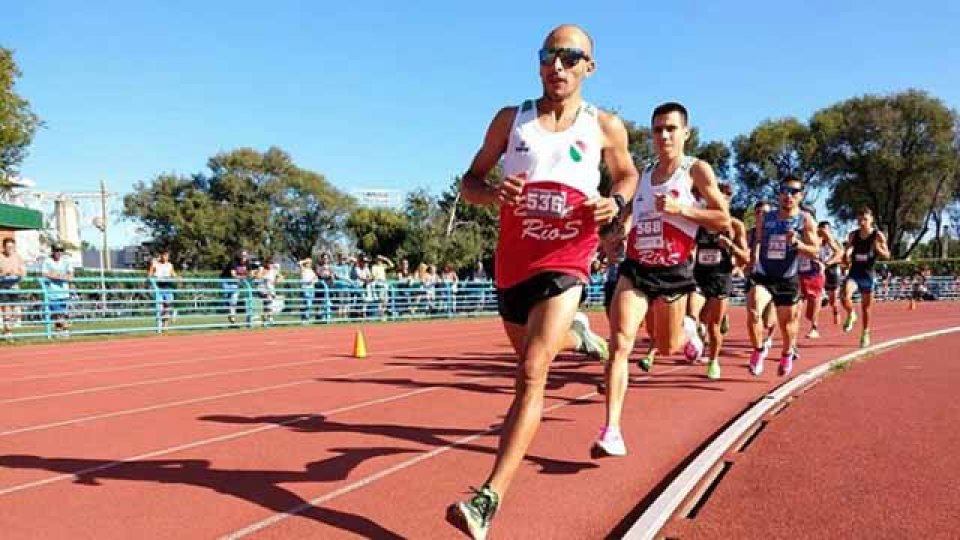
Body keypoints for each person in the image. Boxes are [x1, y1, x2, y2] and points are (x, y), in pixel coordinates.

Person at [449, 24, 638, 540]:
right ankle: (575, 333)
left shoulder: (604, 126)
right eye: (549, 55)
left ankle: (488, 499)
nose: (557, 65)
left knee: (533, 370)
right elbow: (469, 182)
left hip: (568, 257)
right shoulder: (512, 121)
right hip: (514, 263)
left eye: (569, 56)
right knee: (528, 352)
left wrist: (615, 202)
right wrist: (493, 195)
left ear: (588, 67)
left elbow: (626, 175)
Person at [599, 102, 729, 459]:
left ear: (685, 133)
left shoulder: (695, 171)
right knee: (620, 343)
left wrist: (683, 209)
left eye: (671, 129)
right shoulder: (643, 174)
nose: (664, 136)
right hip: (637, 268)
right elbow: (631, 217)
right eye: (658, 130)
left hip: (674, 274)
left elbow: (723, 219)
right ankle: (612, 430)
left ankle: (688, 327)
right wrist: (615, 237)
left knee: (667, 345)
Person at [747, 176, 820, 377]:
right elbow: (759, 240)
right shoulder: (766, 217)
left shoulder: (805, 220)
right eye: (784, 190)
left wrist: (798, 244)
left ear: (801, 196)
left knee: (787, 326)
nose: (788, 195)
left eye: (794, 192)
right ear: (779, 193)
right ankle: (759, 349)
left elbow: (815, 251)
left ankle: (787, 352)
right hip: (764, 274)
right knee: (753, 308)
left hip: (787, 278)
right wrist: (753, 256)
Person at [690, 183, 749, 380]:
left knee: (714, 326)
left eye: (723, 197)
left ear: (728, 201)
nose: (717, 200)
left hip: (720, 278)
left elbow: (745, 259)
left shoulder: (735, 226)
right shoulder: (699, 222)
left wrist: (730, 245)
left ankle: (713, 361)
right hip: (698, 276)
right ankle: (696, 339)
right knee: (692, 316)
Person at [841, 207, 890, 347]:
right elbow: (850, 247)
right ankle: (851, 314)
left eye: (865, 219)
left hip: (868, 275)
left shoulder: (877, 235)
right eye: (860, 220)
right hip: (855, 273)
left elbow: (887, 255)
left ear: (871, 220)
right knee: (845, 296)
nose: (862, 222)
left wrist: (878, 248)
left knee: (866, 308)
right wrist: (847, 253)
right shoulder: (853, 235)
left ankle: (865, 332)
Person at [41, 244, 74, 338]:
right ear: (53, 251)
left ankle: (59, 331)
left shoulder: (66, 261)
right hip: (52, 292)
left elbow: (71, 276)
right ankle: (66, 328)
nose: (59, 252)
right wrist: (56, 276)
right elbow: (44, 273)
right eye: (57, 250)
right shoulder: (47, 261)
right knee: (58, 313)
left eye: (61, 250)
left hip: (64, 292)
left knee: (61, 313)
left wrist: (62, 277)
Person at [817, 221, 844, 325]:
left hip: (832, 269)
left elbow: (840, 256)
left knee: (833, 301)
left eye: (827, 229)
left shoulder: (835, 241)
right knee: (817, 295)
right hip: (819, 269)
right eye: (823, 229)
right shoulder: (816, 241)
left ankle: (836, 311)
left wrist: (828, 263)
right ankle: (823, 297)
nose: (825, 232)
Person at [0, 238, 27, 339]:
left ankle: (7, 330)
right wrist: (4, 273)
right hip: (3, 287)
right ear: (4, 247)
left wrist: (17, 273)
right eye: (8, 247)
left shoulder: (18, 257)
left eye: (12, 247)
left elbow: (24, 273)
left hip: (15, 287)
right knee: (6, 311)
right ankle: (8, 332)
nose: (10, 249)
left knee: (17, 312)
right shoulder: (0, 257)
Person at [147, 248, 178, 330]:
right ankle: (160, 325)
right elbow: (149, 274)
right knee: (160, 307)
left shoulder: (169, 265)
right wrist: (150, 279)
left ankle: (165, 325)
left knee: (167, 305)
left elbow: (173, 274)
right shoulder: (155, 264)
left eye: (167, 256)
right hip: (158, 287)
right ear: (161, 256)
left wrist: (178, 278)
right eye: (164, 255)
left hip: (167, 287)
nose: (165, 257)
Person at [220, 250, 250, 325]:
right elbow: (233, 274)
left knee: (234, 300)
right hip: (226, 280)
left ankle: (232, 317)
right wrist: (242, 278)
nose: (244, 257)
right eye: (243, 256)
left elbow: (249, 272)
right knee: (227, 299)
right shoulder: (233, 262)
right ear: (239, 256)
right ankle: (230, 312)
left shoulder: (247, 262)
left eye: (246, 256)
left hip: (236, 282)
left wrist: (249, 275)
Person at [298, 258, 318, 322]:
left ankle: (306, 317)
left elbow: (316, 278)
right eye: (307, 263)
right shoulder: (303, 269)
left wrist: (313, 281)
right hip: (305, 288)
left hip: (311, 288)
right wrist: (305, 261)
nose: (308, 264)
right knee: (306, 303)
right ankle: (304, 318)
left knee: (309, 304)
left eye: (309, 263)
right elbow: (299, 263)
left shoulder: (311, 270)